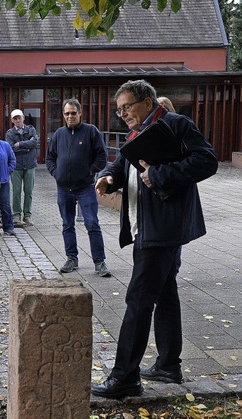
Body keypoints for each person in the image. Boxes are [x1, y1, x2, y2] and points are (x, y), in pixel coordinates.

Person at [91, 80, 218, 399]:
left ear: (147, 102)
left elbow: (207, 161)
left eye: (127, 107)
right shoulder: (137, 131)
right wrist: (108, 176)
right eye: (119, 110)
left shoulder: (175, 125)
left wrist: (159, 175)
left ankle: (124, 377)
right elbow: (122, 164)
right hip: (142, 225)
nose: (123, 114)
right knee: (165, 293)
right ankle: (168, 365)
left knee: (138, 299)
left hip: (162, 229)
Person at [45, 99, 111, 277]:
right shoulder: (58, 134)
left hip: (85, 187)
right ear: (63, 115)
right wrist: (56, 173)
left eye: (73, 113)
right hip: (63, 188)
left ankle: (99, 262)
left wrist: (90, 171)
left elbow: (102, 156)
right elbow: (49, 158)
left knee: (92, 224)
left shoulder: (90, 131)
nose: (70, 116)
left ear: (80, 113)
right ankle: (71, 259)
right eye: (67, 113)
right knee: (67, 224)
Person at [5, 109, 38, 226]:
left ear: (23, 118)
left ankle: (27, 216)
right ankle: (16, 215)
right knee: (16, 192)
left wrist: (19, 144)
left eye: (19, 117)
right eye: (15, 118)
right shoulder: (9, 133)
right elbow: (10, 149)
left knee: (29, 191)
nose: (18, 120)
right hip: (16, 166)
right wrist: (27, 146)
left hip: (30, 165)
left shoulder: (31, 129)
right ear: (12, 120)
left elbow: (35, 143)